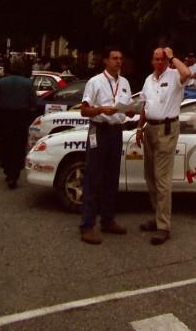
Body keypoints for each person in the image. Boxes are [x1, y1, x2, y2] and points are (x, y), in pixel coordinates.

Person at [136, 44, 191, 245]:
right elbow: (145, 105)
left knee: (162, 179)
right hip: (150, 128)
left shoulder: (175, 75)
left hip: (167, 130)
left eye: (162, 59)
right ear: (152, 61)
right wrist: (139, 127)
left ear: (167, 60)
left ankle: (164, 226)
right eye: (156, 59)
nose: (159, 62)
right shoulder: (148, 80)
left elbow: (188, 72)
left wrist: (173, 56)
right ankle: (157, 216)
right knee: (149, 176)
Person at [79, 46, 134, 245]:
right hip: (99, 130)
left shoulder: (125, 83)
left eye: (120, 58)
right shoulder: (95, 82)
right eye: (114, 58)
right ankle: (87, 225)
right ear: (105, 61)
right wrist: (101, 109)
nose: (118, 61)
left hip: (116, 131)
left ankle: (108, 220)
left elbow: (126, 107)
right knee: (93, 177)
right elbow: (84, 111)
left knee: (112, 177)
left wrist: (129, 111)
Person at [0, 58, 37, 189]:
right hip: (21, 119)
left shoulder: (2, 82)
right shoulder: (28, 83)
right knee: (18, 146)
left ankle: (6, 167)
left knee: (5, 143)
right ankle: (14, 172)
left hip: (5, 117)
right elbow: (34, 103)